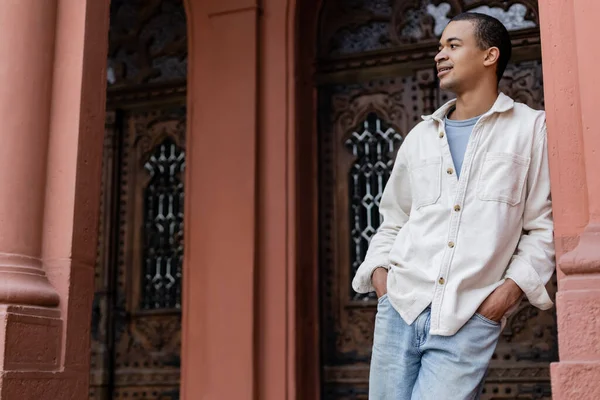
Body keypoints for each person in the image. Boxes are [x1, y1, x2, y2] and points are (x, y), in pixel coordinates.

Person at [351, 12, 555, 400]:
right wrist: (382, 281)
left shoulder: (531, 129)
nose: (439, 55)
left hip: (468, 317)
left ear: (489, 55)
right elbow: (393, 219)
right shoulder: (419, 137)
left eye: (453, 45)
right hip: (400, 308)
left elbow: (541, 229)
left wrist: (502, 300)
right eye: (440, 47)